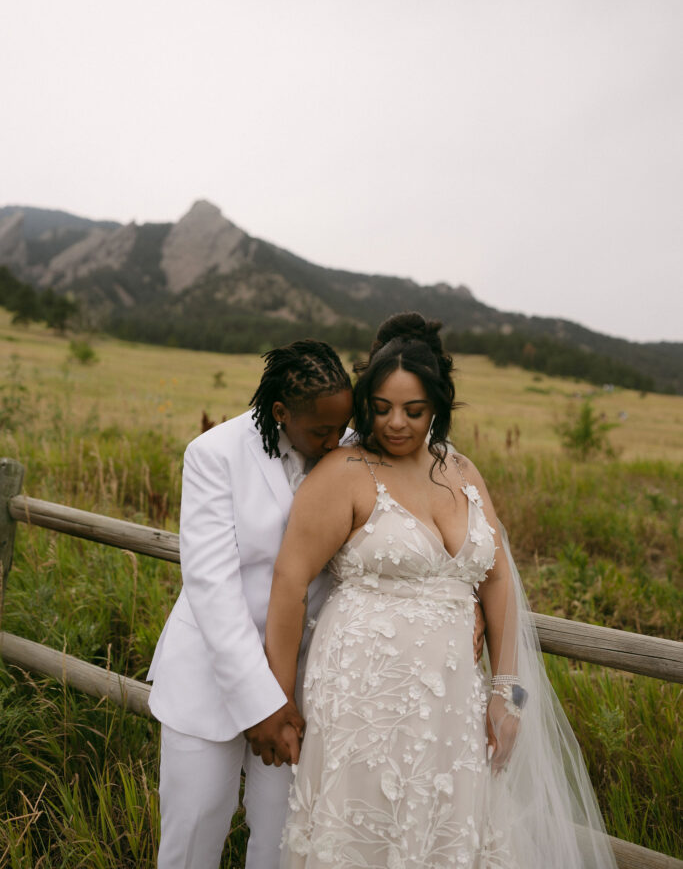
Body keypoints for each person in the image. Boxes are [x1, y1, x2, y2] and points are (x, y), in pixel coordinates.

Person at [265, 313, 618, 868]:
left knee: (448, 832)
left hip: (453, 698)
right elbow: (288, 582)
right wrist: (279, 701)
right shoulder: (342, 472)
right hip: (361, 694)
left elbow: (498, 579)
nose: (396, 423)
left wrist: (508, 693)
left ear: (438, 405)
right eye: (381, 408)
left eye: (414, 410)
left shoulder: (462, 471)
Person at [147, 340, 354, 869]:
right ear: (281, 412)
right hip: (211, 678)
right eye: (321, 432)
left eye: (341, 428)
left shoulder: (349, 448)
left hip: (305, 685)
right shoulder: (214, 453)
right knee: (193, 836)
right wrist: (261, 702)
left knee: (285, 842)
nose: (335, 443)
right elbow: (211, 584)